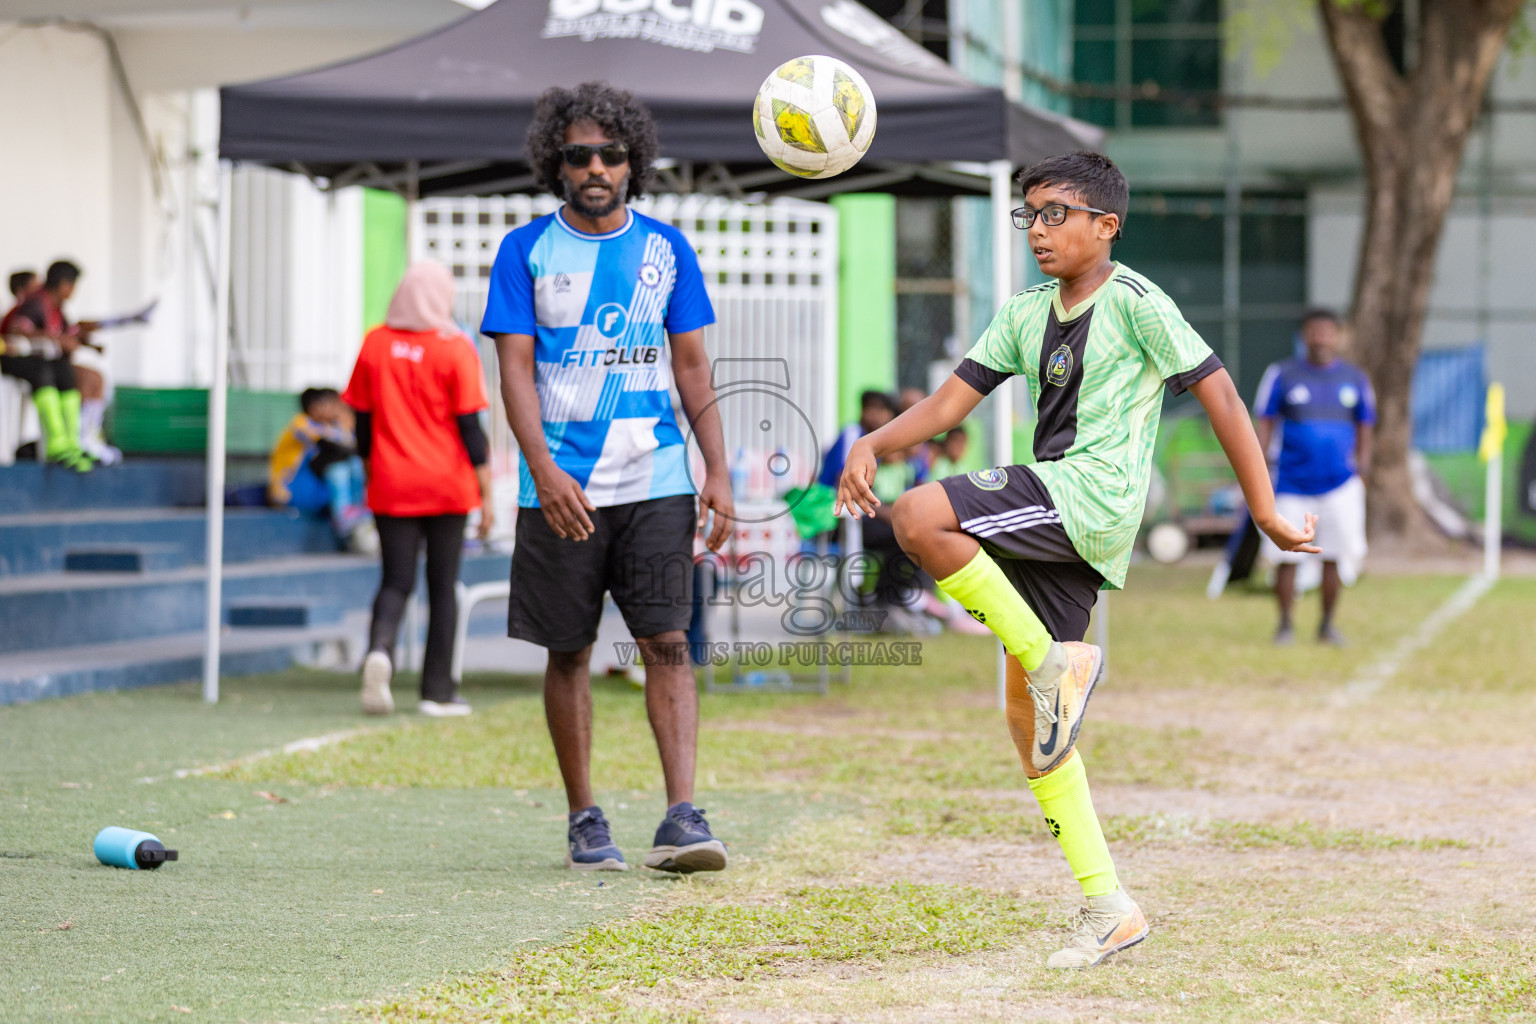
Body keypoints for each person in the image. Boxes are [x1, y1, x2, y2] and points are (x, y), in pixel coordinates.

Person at [836, 151, 1317, 969]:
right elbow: (953, 400)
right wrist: (873, 441)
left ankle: (1051, 658)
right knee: (1033, 729)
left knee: (918, 516)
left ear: (1106, 225)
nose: (1038, 230)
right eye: (1029, 215)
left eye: (1056, 213)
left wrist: (1264, 508)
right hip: (1060, 516)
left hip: (1087, 497)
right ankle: (1109, 904)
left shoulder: (1137, 303)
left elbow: (1223, 395)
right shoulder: (1027, 312)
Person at [481, 82, 734, 875]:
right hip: (562, 489)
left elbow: (692, 365)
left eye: (611, 155)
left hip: (656, 478)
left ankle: (682, 817)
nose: (596, 167)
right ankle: (585, 818)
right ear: (555, 164)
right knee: (569, 651)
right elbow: (514, 375)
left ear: (634, 163)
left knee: (666, 641)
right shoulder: (525, 251)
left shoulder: (667, 250)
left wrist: (716, 468)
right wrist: (545, 470)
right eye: (579, 155)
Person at [343, 263, 494, 719]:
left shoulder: (375, 343)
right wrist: (486, 494)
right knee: (442, 585)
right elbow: (472, 428)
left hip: (392, 483)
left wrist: (374, 468)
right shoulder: (456, 348)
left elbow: (363, 425)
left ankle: (380, 650)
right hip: (447, 486)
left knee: (395, 580)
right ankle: (437, 691)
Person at [1254, 309, 1374, 645]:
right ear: (1303, 336)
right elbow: (1264, 424)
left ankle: (1327, 625)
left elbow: (1366, 426)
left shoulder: (1355, 378)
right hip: (1291, 484)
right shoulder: (1283, 374)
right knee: (1286, 556)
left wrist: (1362, 470)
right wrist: (1258, 471)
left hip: (1340, 485)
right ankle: (1285, 625)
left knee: (1333, 556)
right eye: (1313, 331)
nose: (1320, 338)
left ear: (1338, 336)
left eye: (1327, 331)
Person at [0, 260, 92, 470]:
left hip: (40, 362)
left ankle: (71, 442)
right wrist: (56, 340)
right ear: (63, 284)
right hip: (12, 359)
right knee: (44, 371)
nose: (73, 291)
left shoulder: (58, 309)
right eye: (72, 285)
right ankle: (56, 443)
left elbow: (68, 335)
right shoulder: (36, 302)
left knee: (65, 372)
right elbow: (17, 330)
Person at [267, 387, 370, 548]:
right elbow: (336, 445)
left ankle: (357, 514)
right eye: (332, 404)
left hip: (312, 487)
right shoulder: (301, 423)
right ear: (315, 406)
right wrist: (345, 427)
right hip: (289, 489)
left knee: (355, 464)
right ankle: (346, 521)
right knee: (338, 470)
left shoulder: (330, 426)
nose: (337, 409)